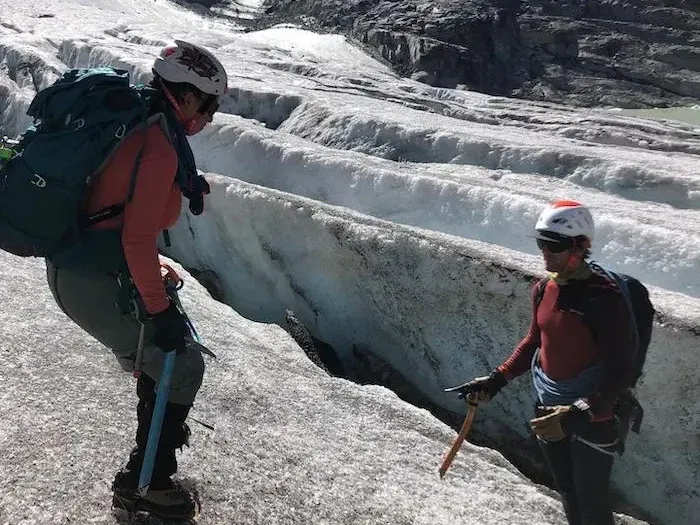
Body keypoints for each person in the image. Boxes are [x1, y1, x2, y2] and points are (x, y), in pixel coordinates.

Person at [46, 40, 227, 520]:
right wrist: (158, 307)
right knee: (181, 364)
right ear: (186, 97)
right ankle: (146, 483)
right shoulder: (158, 144)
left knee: (163, 360)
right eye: (209, 105)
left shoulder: (142, 122)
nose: (209, 117)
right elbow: (137, 237)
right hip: (92, 278)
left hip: (83, 267)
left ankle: (148, 467)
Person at [451, 200, 634, 525]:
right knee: (568, 492)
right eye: (542, 243)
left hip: (592, 415)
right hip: (548, 410)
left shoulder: (603, 298)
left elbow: (621, 368)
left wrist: (581, 409)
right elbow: (534, 343)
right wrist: (495, 380)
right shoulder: (543, 289)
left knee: (592, 503)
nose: (546, 253)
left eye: (556, 245)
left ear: (581, 245)